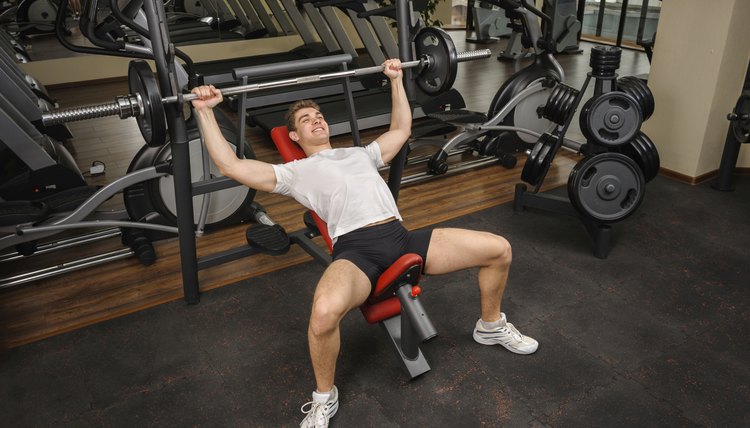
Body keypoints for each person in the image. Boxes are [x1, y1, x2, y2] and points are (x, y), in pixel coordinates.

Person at [190, 59, 538, 428]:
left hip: (401, 236)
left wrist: (396, 79)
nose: (316, 120)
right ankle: (324, 397)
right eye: (306, 120)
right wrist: (205, 112)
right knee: (323, 314)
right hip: (357, 252)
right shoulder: (293, 173)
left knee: (499, 248)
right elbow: (229, 164)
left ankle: (489, 325)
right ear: (294, 137)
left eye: (318, 115)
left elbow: (402, 128)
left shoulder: (362, 154)